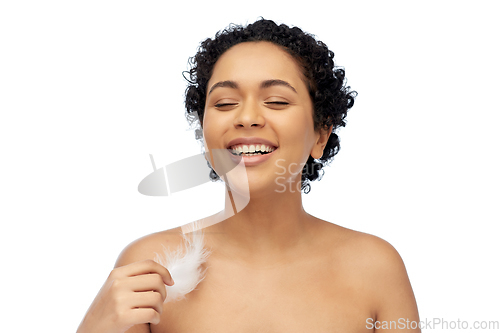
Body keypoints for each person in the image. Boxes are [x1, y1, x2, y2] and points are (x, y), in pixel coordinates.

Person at [77, 19, 420, 332]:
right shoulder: (150, 267)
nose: (247, 117)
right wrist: (94, 326)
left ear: (320, 135)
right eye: (225, 103)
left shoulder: (375, 268)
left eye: (276, 101)